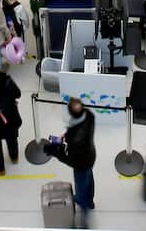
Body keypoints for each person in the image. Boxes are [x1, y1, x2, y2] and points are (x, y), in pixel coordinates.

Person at [43, 97, 97, 227]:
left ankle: (84, 223)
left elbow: (71, 160)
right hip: (90, 157)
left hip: (81, 164)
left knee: (80, 193)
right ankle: (90, 202)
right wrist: (67, 135)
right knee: (89, 180)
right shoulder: (89, 116)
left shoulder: (74, 138)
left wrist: (56, 153)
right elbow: (79, 130)